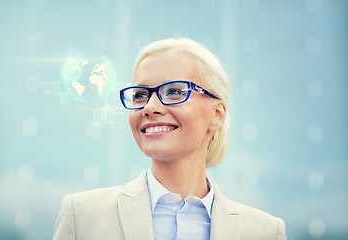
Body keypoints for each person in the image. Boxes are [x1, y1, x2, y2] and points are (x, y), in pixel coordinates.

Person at [54, 38, 287, 240]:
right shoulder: (81, 217)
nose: (150, 107)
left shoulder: (265, 232)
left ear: (217, 114)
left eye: (174, 91)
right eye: (140, 95)